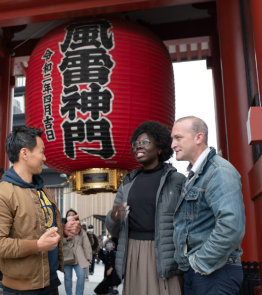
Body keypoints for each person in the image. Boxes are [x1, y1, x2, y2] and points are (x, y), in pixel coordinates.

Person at [0, 126, 81, 295]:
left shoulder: (43, 190)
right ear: (24, 153)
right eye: (41, 152)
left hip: (50, 282)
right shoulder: (0, 194)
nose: (44, 157)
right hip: (22, 289)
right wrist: (37, 245)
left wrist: (63, 231)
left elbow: (40, 227)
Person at [105, 120, 186, 295]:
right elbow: (114, 228)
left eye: (145, 142)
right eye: (136, 143)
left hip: (164, 251)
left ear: (160, 148)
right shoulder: (127, 182)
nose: (138, 147)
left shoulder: (176, 180)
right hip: (133, 250)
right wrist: (113, 216)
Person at [171, 116, 245, 295]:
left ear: (199, 137)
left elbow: (231, 227)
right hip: (200, 272)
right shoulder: (195, 174)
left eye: (178, 138)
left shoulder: (219, 172)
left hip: (214, 272)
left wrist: (200, 263)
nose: (173, 144)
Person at [63, 209, 92, 295]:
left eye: (73, 214)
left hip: (79, 257)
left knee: (81, 276)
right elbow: (59, 242)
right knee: (68, 278)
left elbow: (86, 244)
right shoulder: (63, 228)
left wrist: (88, 256)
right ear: (66, 217)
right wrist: (67, 239)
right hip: (67, 256)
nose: (70, 216)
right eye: (69, 215)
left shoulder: (81, 230)